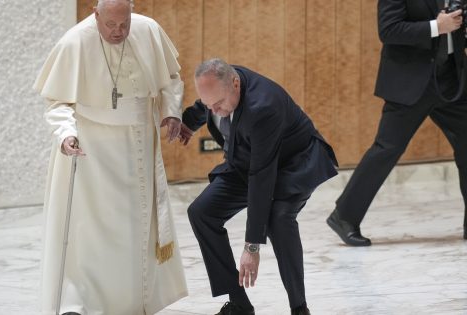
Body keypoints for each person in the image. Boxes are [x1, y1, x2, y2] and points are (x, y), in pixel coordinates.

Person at [33, 1, 187, 314]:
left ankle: (135, 303)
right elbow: (57, 103)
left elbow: (170, 78)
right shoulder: (74, 42)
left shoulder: (148, 30)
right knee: (91, 231)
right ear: (95, 14)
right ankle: (82, 302)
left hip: (140, 146)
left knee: (137, 229)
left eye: (124, 24)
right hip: (93, 151)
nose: (118, 32)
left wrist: (171, 112)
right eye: (110, 25)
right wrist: (66, 135)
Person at [179, 58, 339, 315]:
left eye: (218, 104)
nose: (215, 110)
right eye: (210, 105)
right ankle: (239, 304)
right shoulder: (219, 88)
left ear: (235, 84)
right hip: (247, 162)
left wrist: (252, 247)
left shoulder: (263, 106)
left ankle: (299, 307)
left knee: (278, 219)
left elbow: (262, 176)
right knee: (201, 213)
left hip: (293, 164)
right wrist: (187, 122)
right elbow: (204, 105)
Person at [326, 0, 467, 247]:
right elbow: (388, 30)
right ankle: (344, 216)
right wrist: (436, 26)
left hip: (451, 80)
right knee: (386, 149)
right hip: (410, 82)